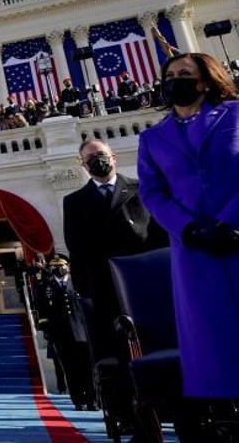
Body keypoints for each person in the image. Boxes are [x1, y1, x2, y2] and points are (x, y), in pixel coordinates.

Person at [136, 52, 239, 402]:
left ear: (205, 80)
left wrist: (229, 221)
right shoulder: (152, 138)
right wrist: (190, 229)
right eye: (169, 75)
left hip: (236, 233)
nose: (174, 80)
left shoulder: (236, 114)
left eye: (184, 73)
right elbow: (152, 192)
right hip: (195, 249)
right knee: (213, 337)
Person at [63, 138, 167, 357]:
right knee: (117, 352)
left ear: (114, 157)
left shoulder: (141, 189)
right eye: (90, 158)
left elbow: (160, 235)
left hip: (145, 280)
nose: (97, 160)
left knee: (157, 345)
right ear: (83, 165)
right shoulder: (74, 201)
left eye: (101, 154)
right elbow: (76, 249)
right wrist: (84, 291)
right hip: (105, 288)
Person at [35, 256, 96, 411]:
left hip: (81, 333)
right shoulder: (45, 286)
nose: (58, 269)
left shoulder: (78, 282)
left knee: (86, 367)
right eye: (54, 267)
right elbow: (42, 311)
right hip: (61, 335)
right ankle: (78, 400)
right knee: (70, 369)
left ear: (66, 266)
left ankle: (91, 400)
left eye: (60, 266)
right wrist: (48, 332)